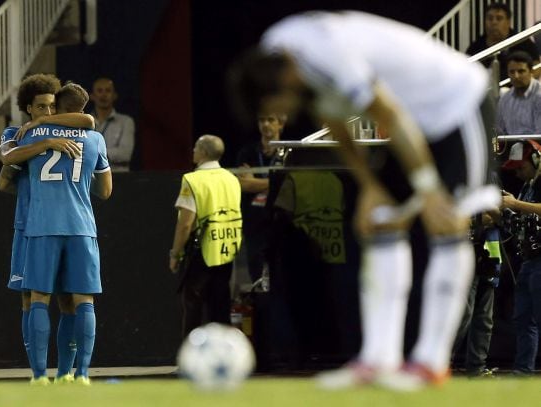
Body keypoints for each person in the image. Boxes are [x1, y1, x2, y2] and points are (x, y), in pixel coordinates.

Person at [229, 11, 496, 390]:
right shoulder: (279, 50)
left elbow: (390, 114)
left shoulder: (329, 57)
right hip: (414, 119)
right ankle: (379, 360)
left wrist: (428, 189)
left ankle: (431, 363)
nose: (281, 114)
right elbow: (334, 120)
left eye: (278, 104)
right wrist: (370, 186)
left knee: (447, 221)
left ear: (283, 79)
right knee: (381, 219)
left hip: (456, 104)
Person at [6, 82, 111, 386]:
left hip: (42, 226)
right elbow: (105, 191)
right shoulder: (95, 139)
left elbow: (7, 166)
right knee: (83, 300)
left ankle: (40, 375)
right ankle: (80, 374)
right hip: (81, 227)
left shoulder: (32, 134)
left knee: (39, 297)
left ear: (58, 107)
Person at [169, 134, 242, 338]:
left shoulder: (193, 180)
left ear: (203, 152)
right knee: (221, 306)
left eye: (196, 147)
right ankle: (227, 357)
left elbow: (185, 224)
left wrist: (175, 254)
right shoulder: (231, 179)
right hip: (227, 249)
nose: (193, 151)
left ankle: (190, 358)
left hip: (201, 251)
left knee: (192, 306)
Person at [499, 141, 541, 375]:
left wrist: (516, 203)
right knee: (523, 319)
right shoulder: (528, 186)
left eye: (520, 167)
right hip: (528, 259)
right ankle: (523, 372)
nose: (517, 173)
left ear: (536, 160)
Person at [236, 111, 285, 282]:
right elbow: (243, 184)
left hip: (281, 219)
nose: (265, 124)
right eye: (261, 120)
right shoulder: (247, 152)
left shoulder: (289, 152)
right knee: (255, 270)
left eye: (270, 120)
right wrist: (277, 182)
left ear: (281, 124)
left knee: (281, 271)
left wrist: (255, 183)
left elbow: (291, 184)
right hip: (254, 221)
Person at [452, 210, 501, 377]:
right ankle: (440, 361)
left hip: (490, 257)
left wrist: (495, 216)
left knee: (484, 319)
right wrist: (477, 220)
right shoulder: (460, 184)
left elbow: (504, 217)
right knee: (462, 314)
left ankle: (477, 368)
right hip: (464, 255)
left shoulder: (495, 183)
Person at [466, 2, 539, 80]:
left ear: (508, 22)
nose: (494, 22)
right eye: (490, 18)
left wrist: (522, 85)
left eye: (499, 18)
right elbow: (465, 69)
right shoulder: (476, 46)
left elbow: (537, 66)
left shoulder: (522, 41)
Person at [89, 77, 135, 171]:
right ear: (92, 96)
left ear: (114, 95)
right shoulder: (84, 122)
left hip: (119, 178)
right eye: (99, 91)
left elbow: (125, 154)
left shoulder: (126, 122)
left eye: (108, 91)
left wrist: (93, 153)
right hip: (91, 178)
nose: (104, 95)